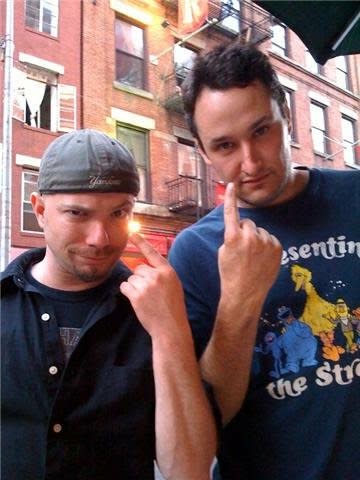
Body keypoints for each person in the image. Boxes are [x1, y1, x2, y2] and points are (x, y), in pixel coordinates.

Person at [169, 41, 360, 479]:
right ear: (202, 151)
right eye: (224, 146)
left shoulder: (356, 197)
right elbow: (213, 415)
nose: (249, 162)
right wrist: (239, 296)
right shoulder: (196, 252)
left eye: (261, 131)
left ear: (286, 117)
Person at [1, 129, 217, 480]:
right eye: (77, 213)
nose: (100, 238)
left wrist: (168, 330)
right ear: (39, 209)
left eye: (118, 214)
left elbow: (189, 470)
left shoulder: (153, 311)